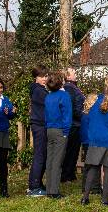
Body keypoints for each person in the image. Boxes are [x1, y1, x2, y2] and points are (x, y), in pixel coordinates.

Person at [81, 80, 108, 206]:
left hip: (94, 140)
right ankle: (105, 199)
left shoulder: (96, 103)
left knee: (92, 170)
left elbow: (89, 118)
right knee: (107, 170)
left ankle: (85, 198)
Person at [45, 71, 72, 199]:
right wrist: (66, 132)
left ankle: (49, 189)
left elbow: (46, 115)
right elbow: (67, 116)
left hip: (49, 129)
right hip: (60, 130)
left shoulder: (48, 96)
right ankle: (54, 191)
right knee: (57, 161)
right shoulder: (64, 95)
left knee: (50, 160)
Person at [27, 64, 49, 197]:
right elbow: (49, 102)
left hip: (41, 124)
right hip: (39, 125)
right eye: (42, 76)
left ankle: (38, 183)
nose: (45, 79)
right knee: (39, 156)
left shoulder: (41, 89)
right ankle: (34, 186)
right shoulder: (38, 90)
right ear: (36, 77)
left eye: (46, 76)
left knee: (42, 155)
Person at [61, 67, 85, 183]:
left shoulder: (73, 87)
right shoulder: (69, 88)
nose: (76, 73)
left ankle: (70, 173)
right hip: (73, 124)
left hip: (76, 123)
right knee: (70, 150)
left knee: (74, 150)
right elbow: (71, 107)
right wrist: (83, 117)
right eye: (74, 72)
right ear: (68, 76)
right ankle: (66, 175)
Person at [80, 93, 99, 194]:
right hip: (92, 142)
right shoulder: (92, 115)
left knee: (87, 165)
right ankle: (94, 187)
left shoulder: (84, 114)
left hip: (86, 142)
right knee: (94, 165)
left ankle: (85, 187)